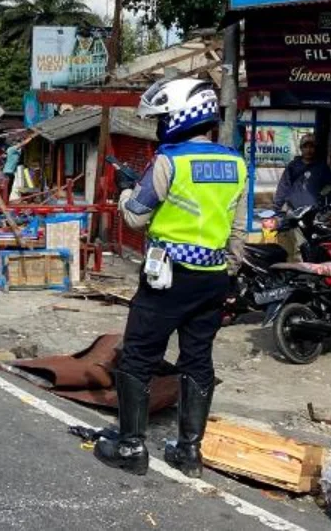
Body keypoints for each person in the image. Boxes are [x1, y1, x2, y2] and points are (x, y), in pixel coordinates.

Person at [95, 77, 247, 479]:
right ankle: (189, 452)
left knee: (139, 356)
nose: (160, 127)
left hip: (167, 277)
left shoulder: (170, 160)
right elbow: (238, 230)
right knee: (197, 359)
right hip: (213, 278)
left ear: (180, 117)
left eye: (163, 118)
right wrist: (228, 273)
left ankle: (130, 446)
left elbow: (136, 215)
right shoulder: (236, 162)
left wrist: (127, 192)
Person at [273, 134, 331, 212]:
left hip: (315, 212)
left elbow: (330, 187)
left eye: (311, 147)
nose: (308, 150)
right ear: (301, 148)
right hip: (294, 212)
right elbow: (283, 187)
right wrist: (277, 207)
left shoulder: (322, 168)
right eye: (305, 147)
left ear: (315, 148)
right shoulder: (293, 166)